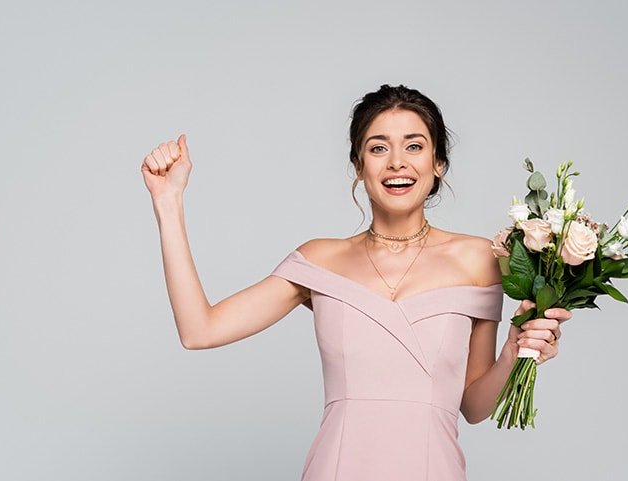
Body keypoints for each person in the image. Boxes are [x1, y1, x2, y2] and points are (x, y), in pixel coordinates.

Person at [140, 84, 571, 481]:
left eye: (414, 146)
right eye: (378, 147)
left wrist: (516, 349)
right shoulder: (319, 259)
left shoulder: (481, 258)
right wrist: (168, 203)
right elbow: (200, 330)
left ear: (438, 163)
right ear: (358, 165)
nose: (397, 162)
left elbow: (474, 406)